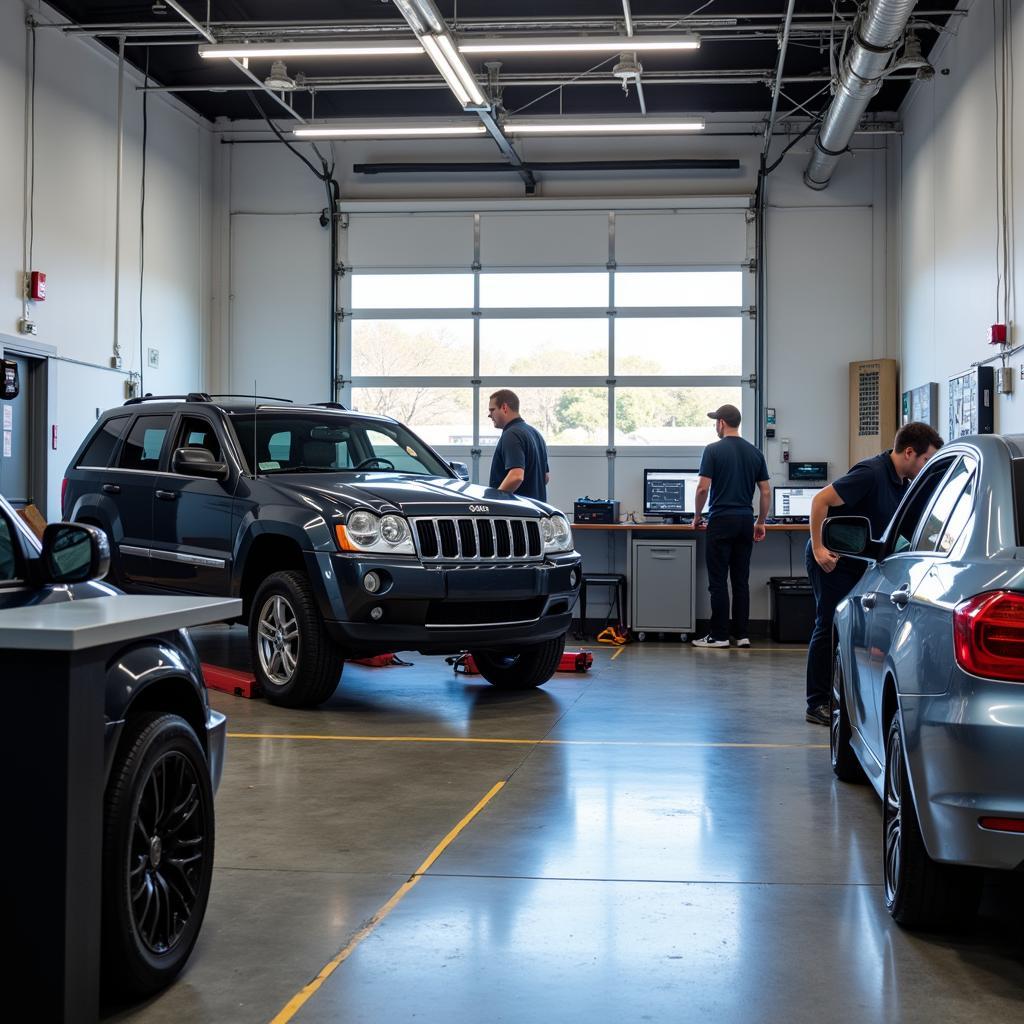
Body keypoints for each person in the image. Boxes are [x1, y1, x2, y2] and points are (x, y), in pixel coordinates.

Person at [803, 421, 944, 725]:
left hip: (858, 560)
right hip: (832, 558)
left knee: (849, 630)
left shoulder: (903, 485)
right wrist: (818, 548)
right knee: (828, 625)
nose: (926, 466)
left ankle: (842, 694)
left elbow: (914, 528)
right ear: (909, 452)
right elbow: (820, 501)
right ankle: (816, 703)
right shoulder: (871, 473)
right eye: (925, 460)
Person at [692, 403, 771, 649]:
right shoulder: (755, 452)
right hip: (745, 521)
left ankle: (719, 636)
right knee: (740, 581)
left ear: (722, 423)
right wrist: (760, 521)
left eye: (716, 421)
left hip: (721, 521)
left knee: (718, 581)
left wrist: (696, 517)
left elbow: (703, 488)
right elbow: (766, 491)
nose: (715, 425)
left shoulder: (712, 450)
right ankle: (742, 635)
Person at [487, 389, 550, 502]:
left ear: (504, 407)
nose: (489, 415)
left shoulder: (511, 434)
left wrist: (495, 502)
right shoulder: (535, 434)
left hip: (516, 513)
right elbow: (545, 478)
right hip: (536, 511)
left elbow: (516, 476)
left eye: (492, 410)